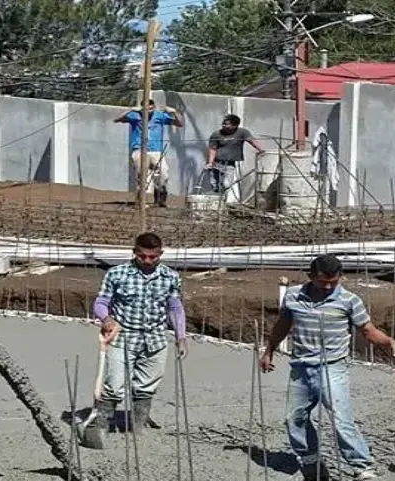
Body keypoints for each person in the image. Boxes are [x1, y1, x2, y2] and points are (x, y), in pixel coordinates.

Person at [260, 254, 395, 481]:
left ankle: (364, 469)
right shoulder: (293, 296)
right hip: (301, 367)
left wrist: (391, 344)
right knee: (294, 419)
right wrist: (269, 350)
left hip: (332, 367)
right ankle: (312, 465)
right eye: (323, 282)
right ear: (311, 276)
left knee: (341, 419)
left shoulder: (349, 301)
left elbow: (368, 330)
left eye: (333, 282)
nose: (328, 287)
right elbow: (283, 324)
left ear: (340, 277)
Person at [77, 232, 187, 447]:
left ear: (161, 254)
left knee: (147, 385)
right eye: (142, 256)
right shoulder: (117, 274)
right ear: (134, 252)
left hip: (155, 339)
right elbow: (101, 303)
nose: (148, 261)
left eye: (153, 257)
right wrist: (106, 319)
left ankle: (138, 426)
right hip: (123, 337)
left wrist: (181, 337)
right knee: (114, 385)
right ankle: (100, 426)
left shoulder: (170, 277)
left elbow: (175, 308)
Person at [114, 99, 183, 207]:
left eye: (151, 108)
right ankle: (140, 202)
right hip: (140, 150)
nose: (149, 110)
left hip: (156, 151)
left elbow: (179, 124)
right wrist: (130, 109)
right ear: (142, 108)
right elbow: (116, 119)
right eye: (146, 108)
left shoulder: (160, 116)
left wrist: (173, 112)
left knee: (163, 174)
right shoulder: (135, 116)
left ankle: (160, 200)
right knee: (141, 176)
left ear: (154, 107)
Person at [206, 114, 265, 208]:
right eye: (223, 123)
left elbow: (252, 141)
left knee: (226, 184)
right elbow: (213, 149)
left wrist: (262, 150)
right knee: (215, 185)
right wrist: (210, 162)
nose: (224, 126)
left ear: (235, 125)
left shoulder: (242, 132)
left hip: (230, 163)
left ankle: (222, 201)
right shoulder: (216, 134)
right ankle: (216, 204)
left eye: (227, 124)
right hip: (217, 162)